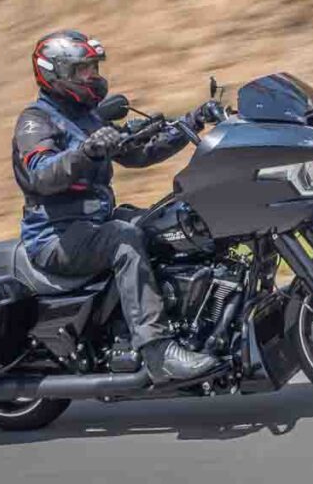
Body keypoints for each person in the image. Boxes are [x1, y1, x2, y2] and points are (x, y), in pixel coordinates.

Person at [12, 29, 220, 383]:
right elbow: (42, 174)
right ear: (55, 73)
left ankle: (195, 325)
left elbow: (139, 153)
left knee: (172, 222)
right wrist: (85, 152)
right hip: (56, 236)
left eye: (93, 68)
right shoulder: (35, 121)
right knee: (124, 240)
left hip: (94, 223)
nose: (92, 76)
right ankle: (157, 351)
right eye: (82, 70)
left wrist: (192, 121)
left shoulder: (88, 116)